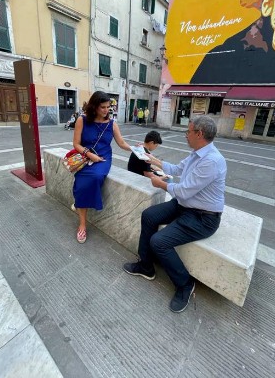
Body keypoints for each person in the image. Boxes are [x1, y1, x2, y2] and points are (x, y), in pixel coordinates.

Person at [123, 115, 227, 313]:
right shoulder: (197, 153)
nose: (185, 135)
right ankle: (146, 266)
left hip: (203, 217)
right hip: (184, 206)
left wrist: (161, 183)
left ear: (199, 133)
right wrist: (150, 159)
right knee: (149, 215)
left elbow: (184, 190)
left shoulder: (212, 161)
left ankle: (185, 285)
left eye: (188, 132)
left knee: (159, 241)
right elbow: (177, 169)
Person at [72, 91, 131, 244]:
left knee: (96, 176)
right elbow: (76, 144)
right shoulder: (82, 120)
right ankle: (83, 224)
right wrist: (89, 154)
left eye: (108, 107)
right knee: (81, 182)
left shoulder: (112, 124)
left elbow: (122, 143)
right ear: (94, 107)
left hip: (103, 157)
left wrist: (137, 149)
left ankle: (80, 202)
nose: (106, 110)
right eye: (103, 107)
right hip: (86, 156)